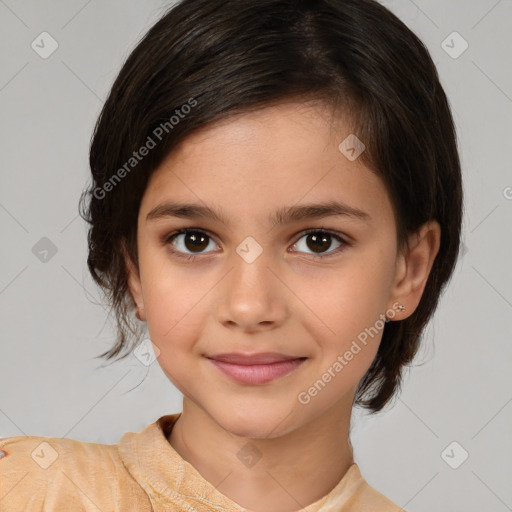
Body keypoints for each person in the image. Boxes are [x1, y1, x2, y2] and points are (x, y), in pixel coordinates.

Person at [0, 0, 463, 510]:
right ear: (134, 270)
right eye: (194, 240)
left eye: (318, 241)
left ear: (409, 270)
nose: (249, 306)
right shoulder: (32, 492)